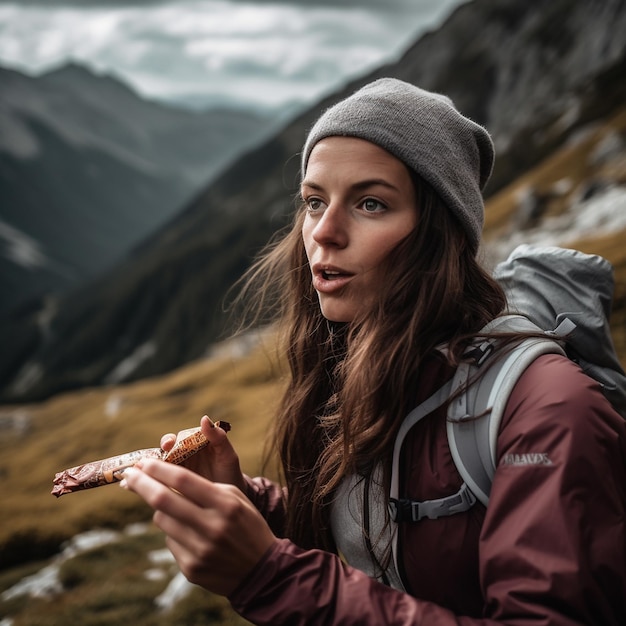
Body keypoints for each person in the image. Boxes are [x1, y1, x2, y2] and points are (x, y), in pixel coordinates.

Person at [120, 78, 626, 624]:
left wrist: (269, 574)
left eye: (369, 203)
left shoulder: (552, 410)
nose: (325, 233)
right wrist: (246, 502)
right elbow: (385, 535)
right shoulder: (372, 361)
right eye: (314, 201)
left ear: (440, 233)